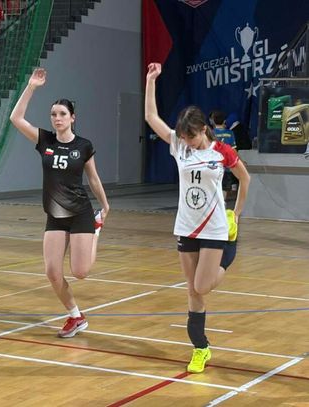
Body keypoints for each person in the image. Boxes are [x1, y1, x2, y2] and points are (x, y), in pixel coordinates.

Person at [145, 63, 250, 373]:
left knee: (202, 286)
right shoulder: (180, 147)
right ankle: (200, 348)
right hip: (186, 227)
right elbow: (151, 117)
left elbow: (245, 179)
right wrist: (151, 81)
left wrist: (236, 214)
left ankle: (229, 254)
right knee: (192, 290)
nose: (187, 140)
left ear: (204, 129)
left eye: (191, 135)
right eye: (183, 136)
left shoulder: (222, 151)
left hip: (216, 227)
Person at [10, 68, 110, 338]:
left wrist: (105, 204)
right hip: (55, 214)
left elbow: (93, 178)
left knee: (80, 272)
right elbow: (15, 118)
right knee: (52, 272)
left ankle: (95, 230)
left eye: (62, 114)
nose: (57, 118)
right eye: (53, 114)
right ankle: (75, 316)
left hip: (80, 213)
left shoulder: (84, 145)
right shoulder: (45, 140)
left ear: (72, 118)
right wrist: (31, 86)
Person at [209, 110, 238, 200]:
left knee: (212, 188)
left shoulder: (210, 134)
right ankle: (222, 205)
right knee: (224, 188)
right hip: (226, 167)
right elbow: (233, 150)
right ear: (224, 121)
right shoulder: (230, 133)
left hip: (213, 166)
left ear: (213, 121)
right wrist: (239, 160)